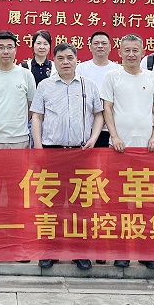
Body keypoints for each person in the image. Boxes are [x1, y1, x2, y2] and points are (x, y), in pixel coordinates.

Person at [31, 42, 105, 271]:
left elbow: (99, 114)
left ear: (76, 60)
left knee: (80, 204)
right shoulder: (44, 86)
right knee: (50, 203)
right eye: (61, 58)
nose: (65, 62)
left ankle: (79, 251)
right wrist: (38, 147)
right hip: (52, 151)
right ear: (54, 61)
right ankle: (49, 251)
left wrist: (93, 138)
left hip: (80, 152)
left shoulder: (88, 85)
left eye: (70, 58)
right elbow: (37, 117)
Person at [101, 33, 154, 270]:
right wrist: (115, 136)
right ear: (119, 52)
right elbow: (107, 108)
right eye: (126, 50)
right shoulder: (112, 76)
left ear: (143, 51)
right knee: (119, 202)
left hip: (147, 149)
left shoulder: (153, 77)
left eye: (135, 50)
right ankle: (121, 251)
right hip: (119, 149)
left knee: (146, 202)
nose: (131, 54)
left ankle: (146, 252)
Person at [0, 30, 36, 149]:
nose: (6, 51)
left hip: (19, 139)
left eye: (9, 47)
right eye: (1, 47)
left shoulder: (26, 75)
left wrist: (19, 125)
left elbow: (31, 107)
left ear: (15, 49)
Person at [77, 30, 118, 148]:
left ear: (110, 47)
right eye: (96, 43)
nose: (100, 46)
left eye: (104, 43)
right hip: (86, 127)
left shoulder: (118, 70)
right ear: (90, 47)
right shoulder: (80, 69)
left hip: (110, 129)